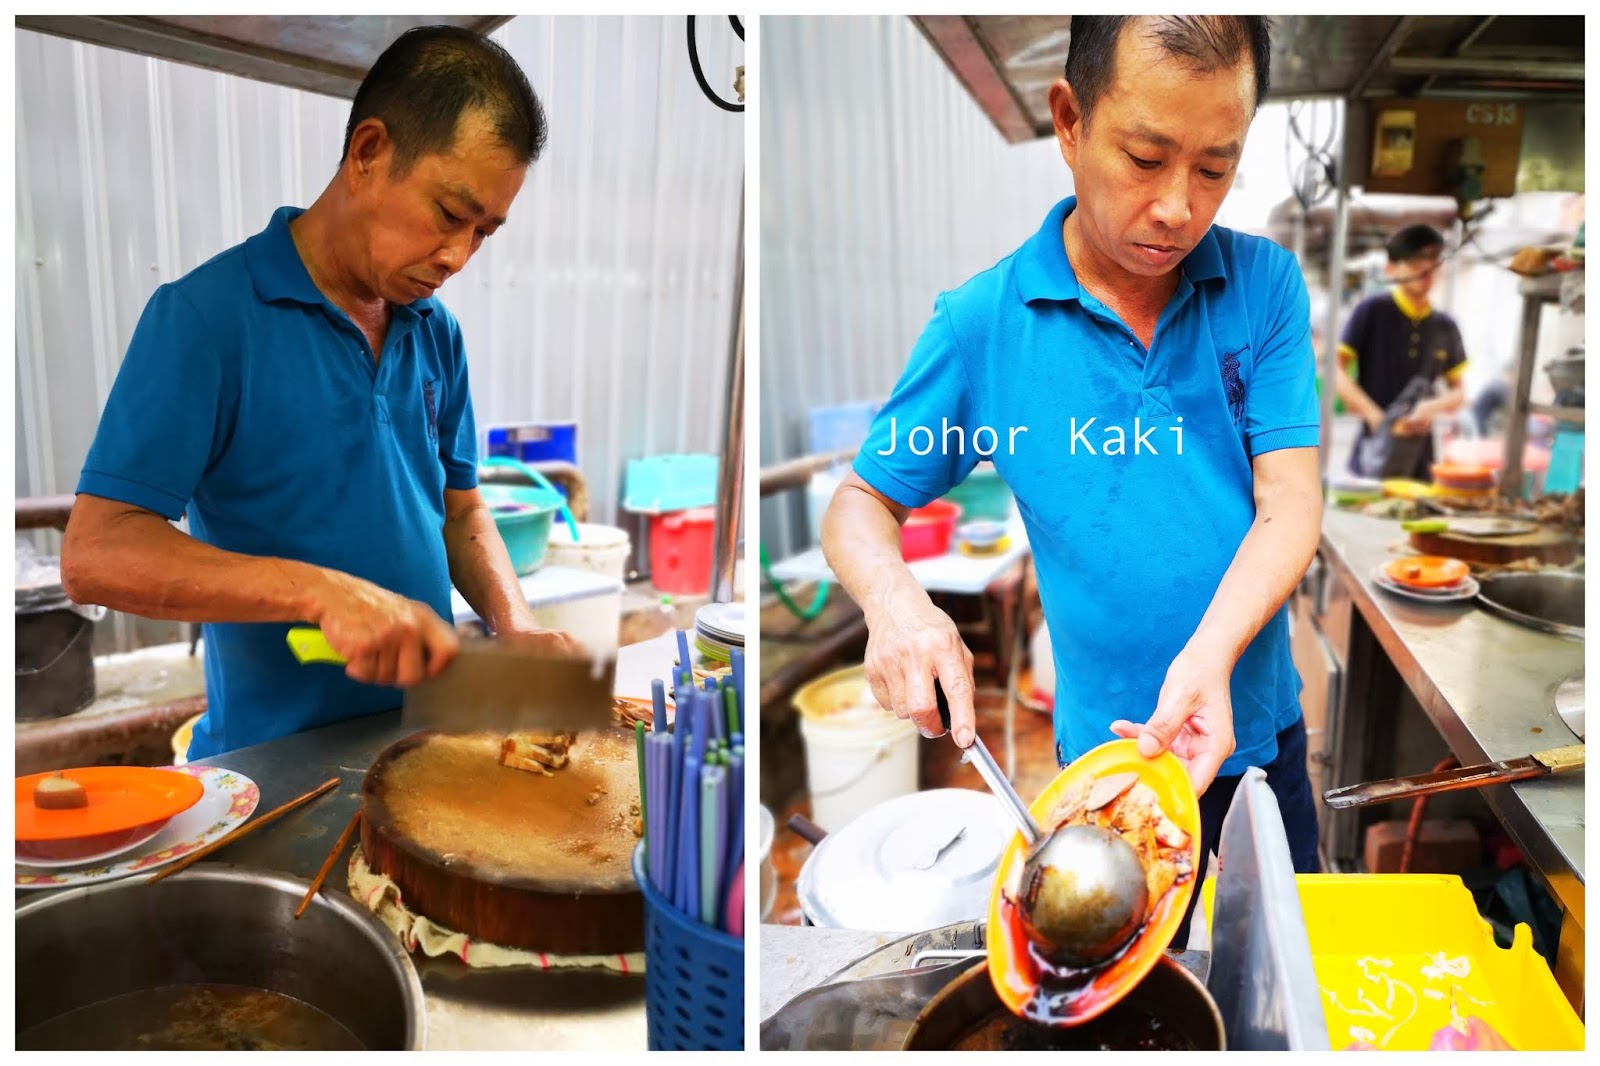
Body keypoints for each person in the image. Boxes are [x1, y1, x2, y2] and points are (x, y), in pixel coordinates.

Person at [820, 15, 1323, 942]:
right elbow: (861, 505)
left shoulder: (1263, 286)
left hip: (1254, 745)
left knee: (1287, 991)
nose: (1178, 206)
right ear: (1069, 121)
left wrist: (1207, 660)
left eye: (1215, 167)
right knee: (1116, 996)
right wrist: (895, 603)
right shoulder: (983, 323)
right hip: (1102, 772)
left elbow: (1290, 500)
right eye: (1144, 157)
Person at [62, 26, 576, 761]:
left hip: (427, 746)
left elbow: (460, 510)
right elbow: (96, 551)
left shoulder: (437, 334)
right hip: (275, 764)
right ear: (368, 153)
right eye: (449, 214)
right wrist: (316, 591)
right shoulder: (208, 320)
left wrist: (514, 623)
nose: (459, 257)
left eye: (486, 232)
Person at [1335, 224, 1468, 478]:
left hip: (1421, 460)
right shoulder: (1372, 311)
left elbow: (1459, 394)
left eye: (1433, 260)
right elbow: (1336, 373)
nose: (1426, 269)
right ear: (1391, 268)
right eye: (1416, 261)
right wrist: (1377, 418)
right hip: (1372, 453)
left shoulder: (1445, 326)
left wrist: (1430, 408)